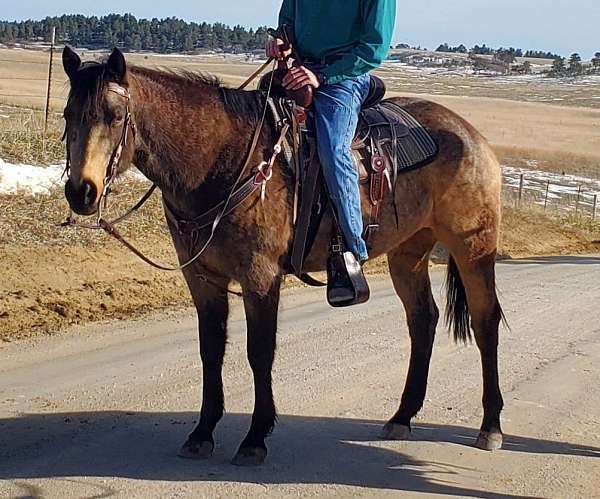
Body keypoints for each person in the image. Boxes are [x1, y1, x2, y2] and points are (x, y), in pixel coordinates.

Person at [267, 0, 396, 301]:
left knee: (334, 150)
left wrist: (322, 77)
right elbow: (287, 22)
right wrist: (280, 42)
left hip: (346, 78)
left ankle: (353, 248)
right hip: (299, 69)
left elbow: (373, 49)